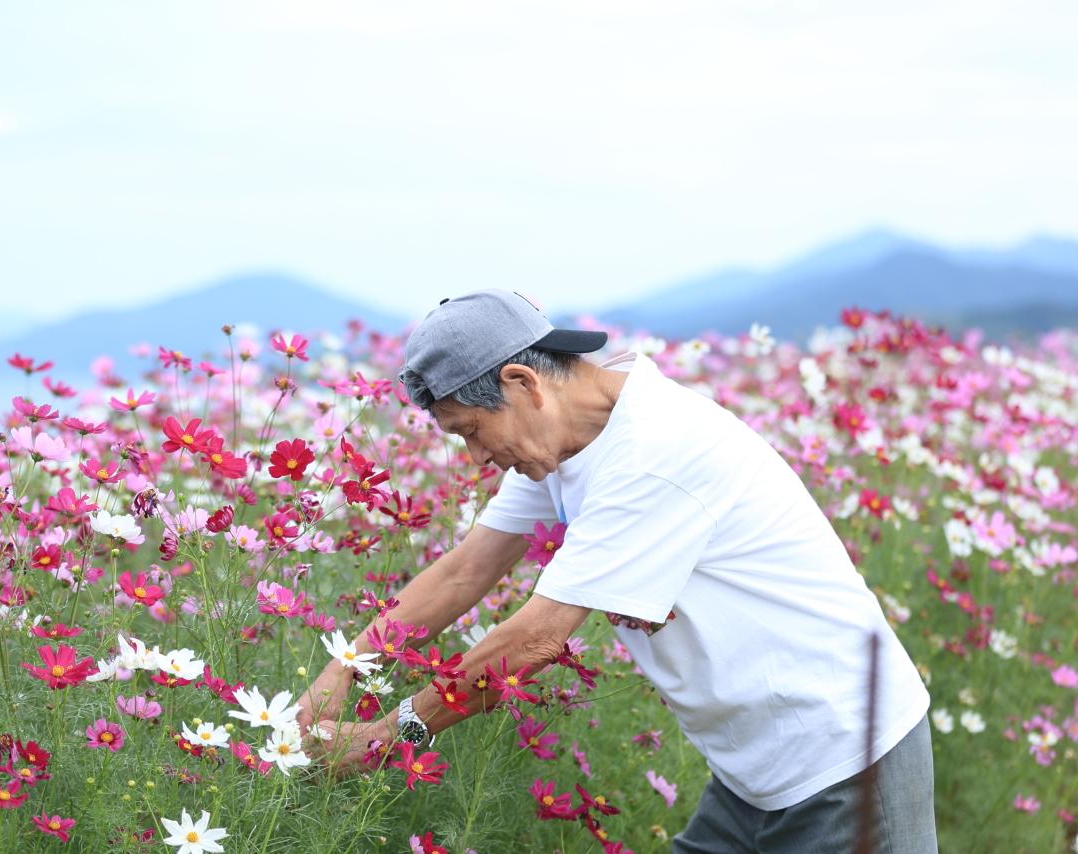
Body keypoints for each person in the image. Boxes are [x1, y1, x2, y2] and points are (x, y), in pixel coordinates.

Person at [298, 289, 937, 853]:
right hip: (753, 771)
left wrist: (386, 737)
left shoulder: (655, 451)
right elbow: (467, 570)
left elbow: (535, 640)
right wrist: (344, 667)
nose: (476, 457)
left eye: (472, 430)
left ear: (523, 384)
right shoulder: (567, 439)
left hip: (845, 758)